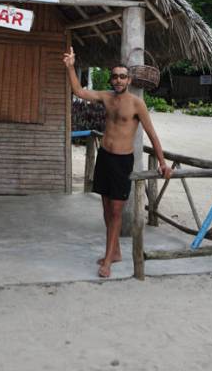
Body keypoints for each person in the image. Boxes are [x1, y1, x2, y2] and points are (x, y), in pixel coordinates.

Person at [63, 46, 172, 278]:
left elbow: (152, 134)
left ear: (129, 79)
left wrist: (162, 162)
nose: (119, 80)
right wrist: (71, 66)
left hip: (123, 162)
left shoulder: (136, 104)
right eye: (115, 76)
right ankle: (115, 252)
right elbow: (79, 91)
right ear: (111, 79)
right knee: (105, 210)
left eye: (123, 76)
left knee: (115, 212)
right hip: (104, 158)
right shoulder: (106, 97)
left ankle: (108, 262)